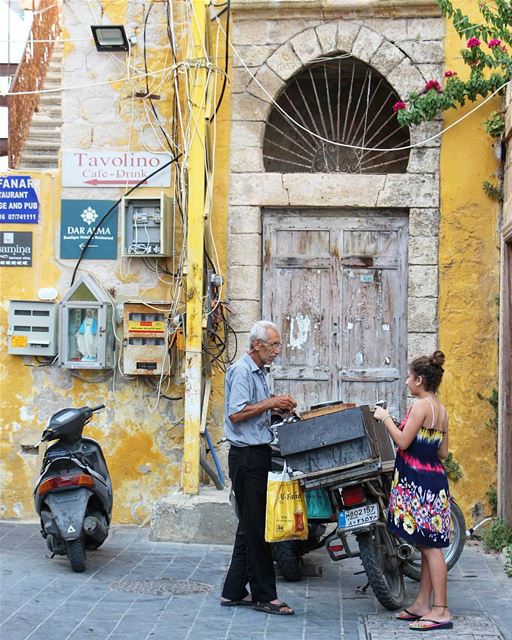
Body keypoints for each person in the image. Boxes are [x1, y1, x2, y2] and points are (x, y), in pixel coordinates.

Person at [220, 320, 297, 616]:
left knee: (249, 524)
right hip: (247, 456)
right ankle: (265, 596)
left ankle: (233, 591)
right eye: (274, 345)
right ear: (256, 345)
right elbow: (237, 414)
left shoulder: (259, 373)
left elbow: (255, 408)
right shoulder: (241, 371)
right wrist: (271, 402)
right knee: (256, 529)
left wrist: (276, 408)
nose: (278, 350)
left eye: (278, 344)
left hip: (257, 452)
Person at [374, 350, 453, 632]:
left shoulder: (420, 406)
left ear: (420, 380)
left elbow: (404, 442)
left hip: (418, 482)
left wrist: (385, 418)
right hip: (434, 480)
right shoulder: (441, 410)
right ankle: (422, 603)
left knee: (431, 548)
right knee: (425, 542)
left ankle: (441, 609)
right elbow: (442, 452)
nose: (406, 381)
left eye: (409, 377)